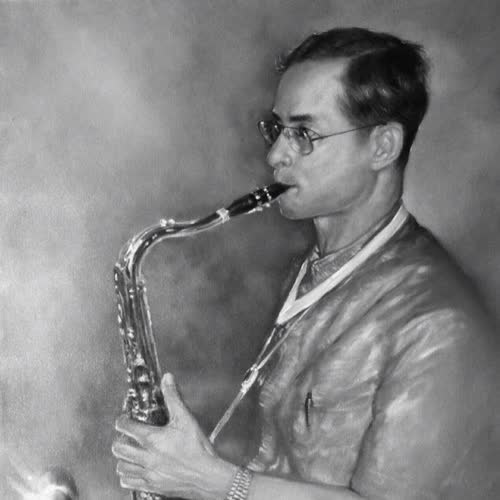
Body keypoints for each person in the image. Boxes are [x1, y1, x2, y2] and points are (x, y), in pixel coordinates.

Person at [112, 27, 500, 500]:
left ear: (383, 146)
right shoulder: (315, 271)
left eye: (304, 134)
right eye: (277, 129)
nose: (276, 155)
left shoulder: (437, 324)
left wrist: (213, 482)